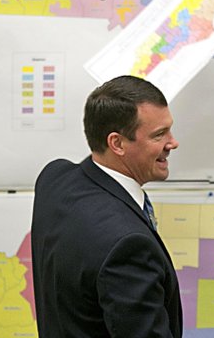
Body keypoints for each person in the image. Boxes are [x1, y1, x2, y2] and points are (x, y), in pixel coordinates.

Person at [31, 75, 183, 337]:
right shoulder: (128, 246)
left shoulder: (54, 179)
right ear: (117, 143)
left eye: (169, 129)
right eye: (159, 135)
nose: (173, 142)